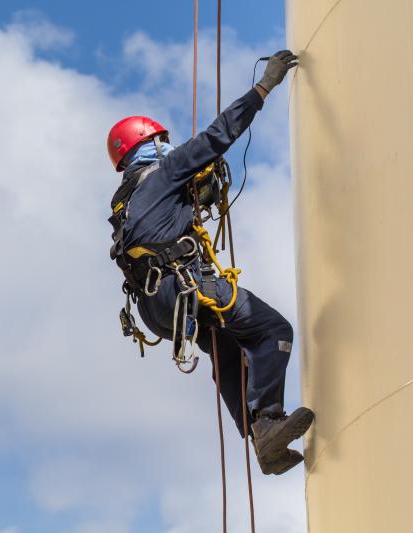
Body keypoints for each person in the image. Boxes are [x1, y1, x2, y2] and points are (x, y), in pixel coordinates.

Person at [106, 51, 313, 475]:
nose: (166, 147)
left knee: (228, 349)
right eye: (159, 142)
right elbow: (217, 137)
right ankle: (268, 420)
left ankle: (264, 442)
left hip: (159, 310)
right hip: (184, 288)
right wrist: (263, 87)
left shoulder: (124, 203)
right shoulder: (164, 175)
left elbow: (157, 228)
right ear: (147, 145)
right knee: (273, 329)